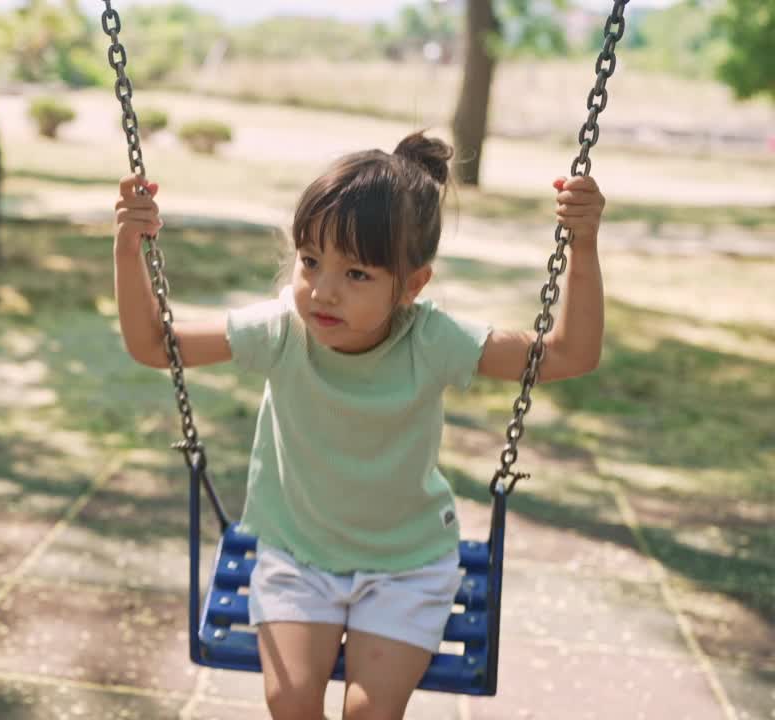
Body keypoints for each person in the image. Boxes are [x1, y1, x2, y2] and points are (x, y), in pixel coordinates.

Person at [111, 131, 606, 720]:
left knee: (369, 712)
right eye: (311, 261)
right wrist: (127, 247)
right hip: (299, 556)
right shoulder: (280, 331)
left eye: (358, 275)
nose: (323, 291)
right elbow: (152, 345)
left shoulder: (431, 339)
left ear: (412, 285)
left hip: (408, 565)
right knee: (290, 702)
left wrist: (583, 243)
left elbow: (568, 355)